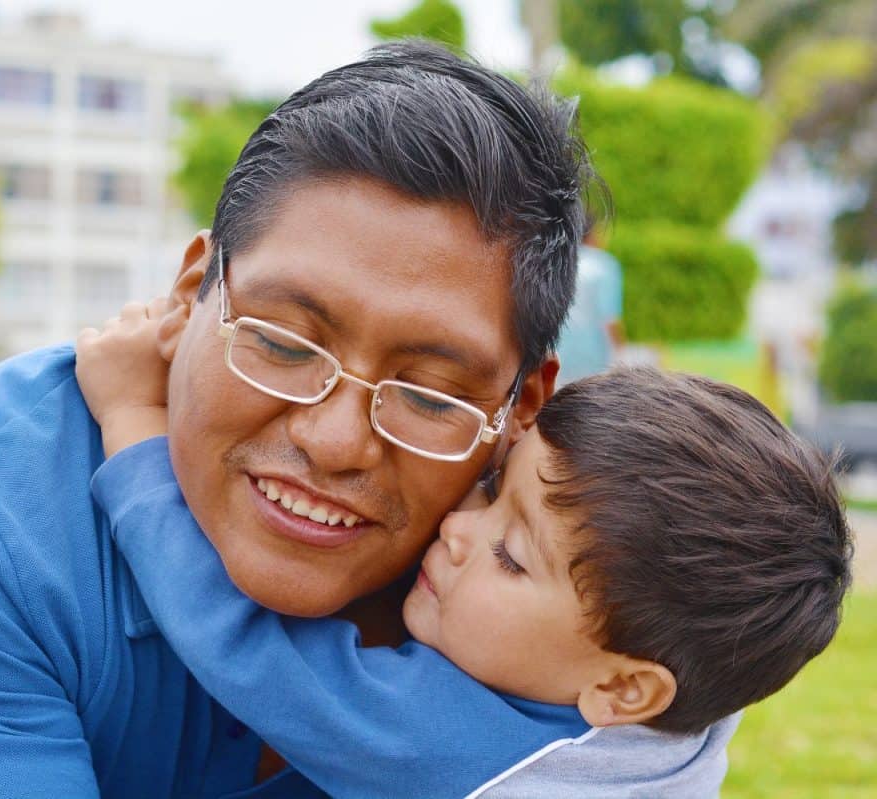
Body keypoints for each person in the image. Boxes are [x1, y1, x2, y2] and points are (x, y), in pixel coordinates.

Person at [0, 41, 720, 797]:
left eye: (427, 393)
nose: (336, 439)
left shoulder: (561, 578)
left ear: (519, 408)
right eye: (285, 343)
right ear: (187, 294)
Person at [75, 301, 852, 798]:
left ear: (623, 690)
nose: (456, 528)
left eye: (511, 555)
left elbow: (240, 642)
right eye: (489, 485)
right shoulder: (684, 701)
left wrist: (133, 419)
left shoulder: (463, 754)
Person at [554, 220, 624, 384]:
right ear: (592, 235)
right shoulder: (604, 264)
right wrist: (620, 351)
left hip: (558, 353)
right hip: (594, 354)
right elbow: (609, 318)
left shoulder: (558, 261)